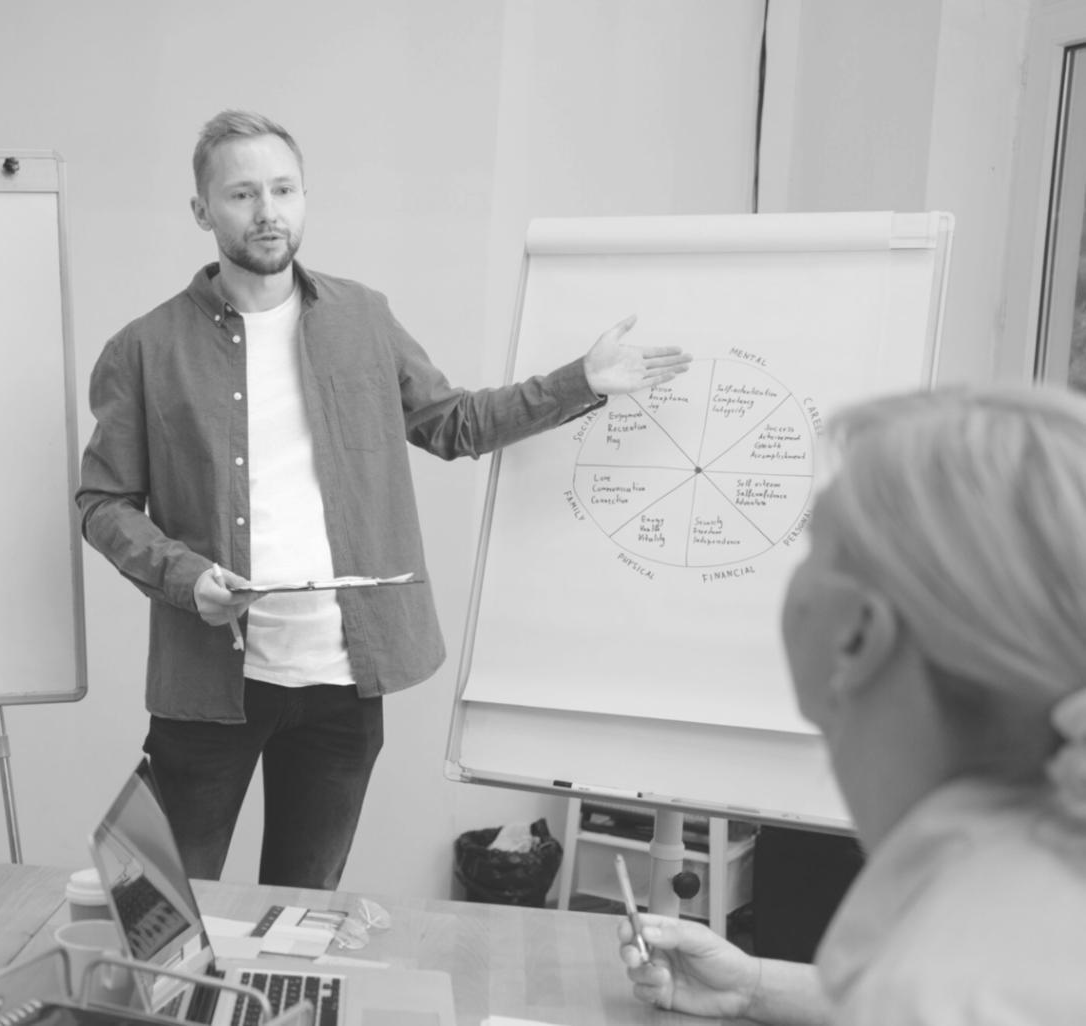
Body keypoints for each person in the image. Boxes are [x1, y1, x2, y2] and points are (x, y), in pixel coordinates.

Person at [76, 109, 690, 890]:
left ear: (303, 198)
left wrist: (580, 382)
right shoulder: (144, 347)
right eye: (240, 194)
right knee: (157, 906)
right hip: (209, 686)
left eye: (282, 189)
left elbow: (452, 422)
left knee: (300, 913)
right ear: (202, 212)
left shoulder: (363, 317)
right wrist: (182, 574)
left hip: (340, 686)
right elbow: (102, 501)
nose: (266, 211)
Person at [616, 386, 1086, 1024]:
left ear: (858, 636)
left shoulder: (942, 987)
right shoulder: (1027, 887)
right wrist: (754, 988)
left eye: (813, 546)